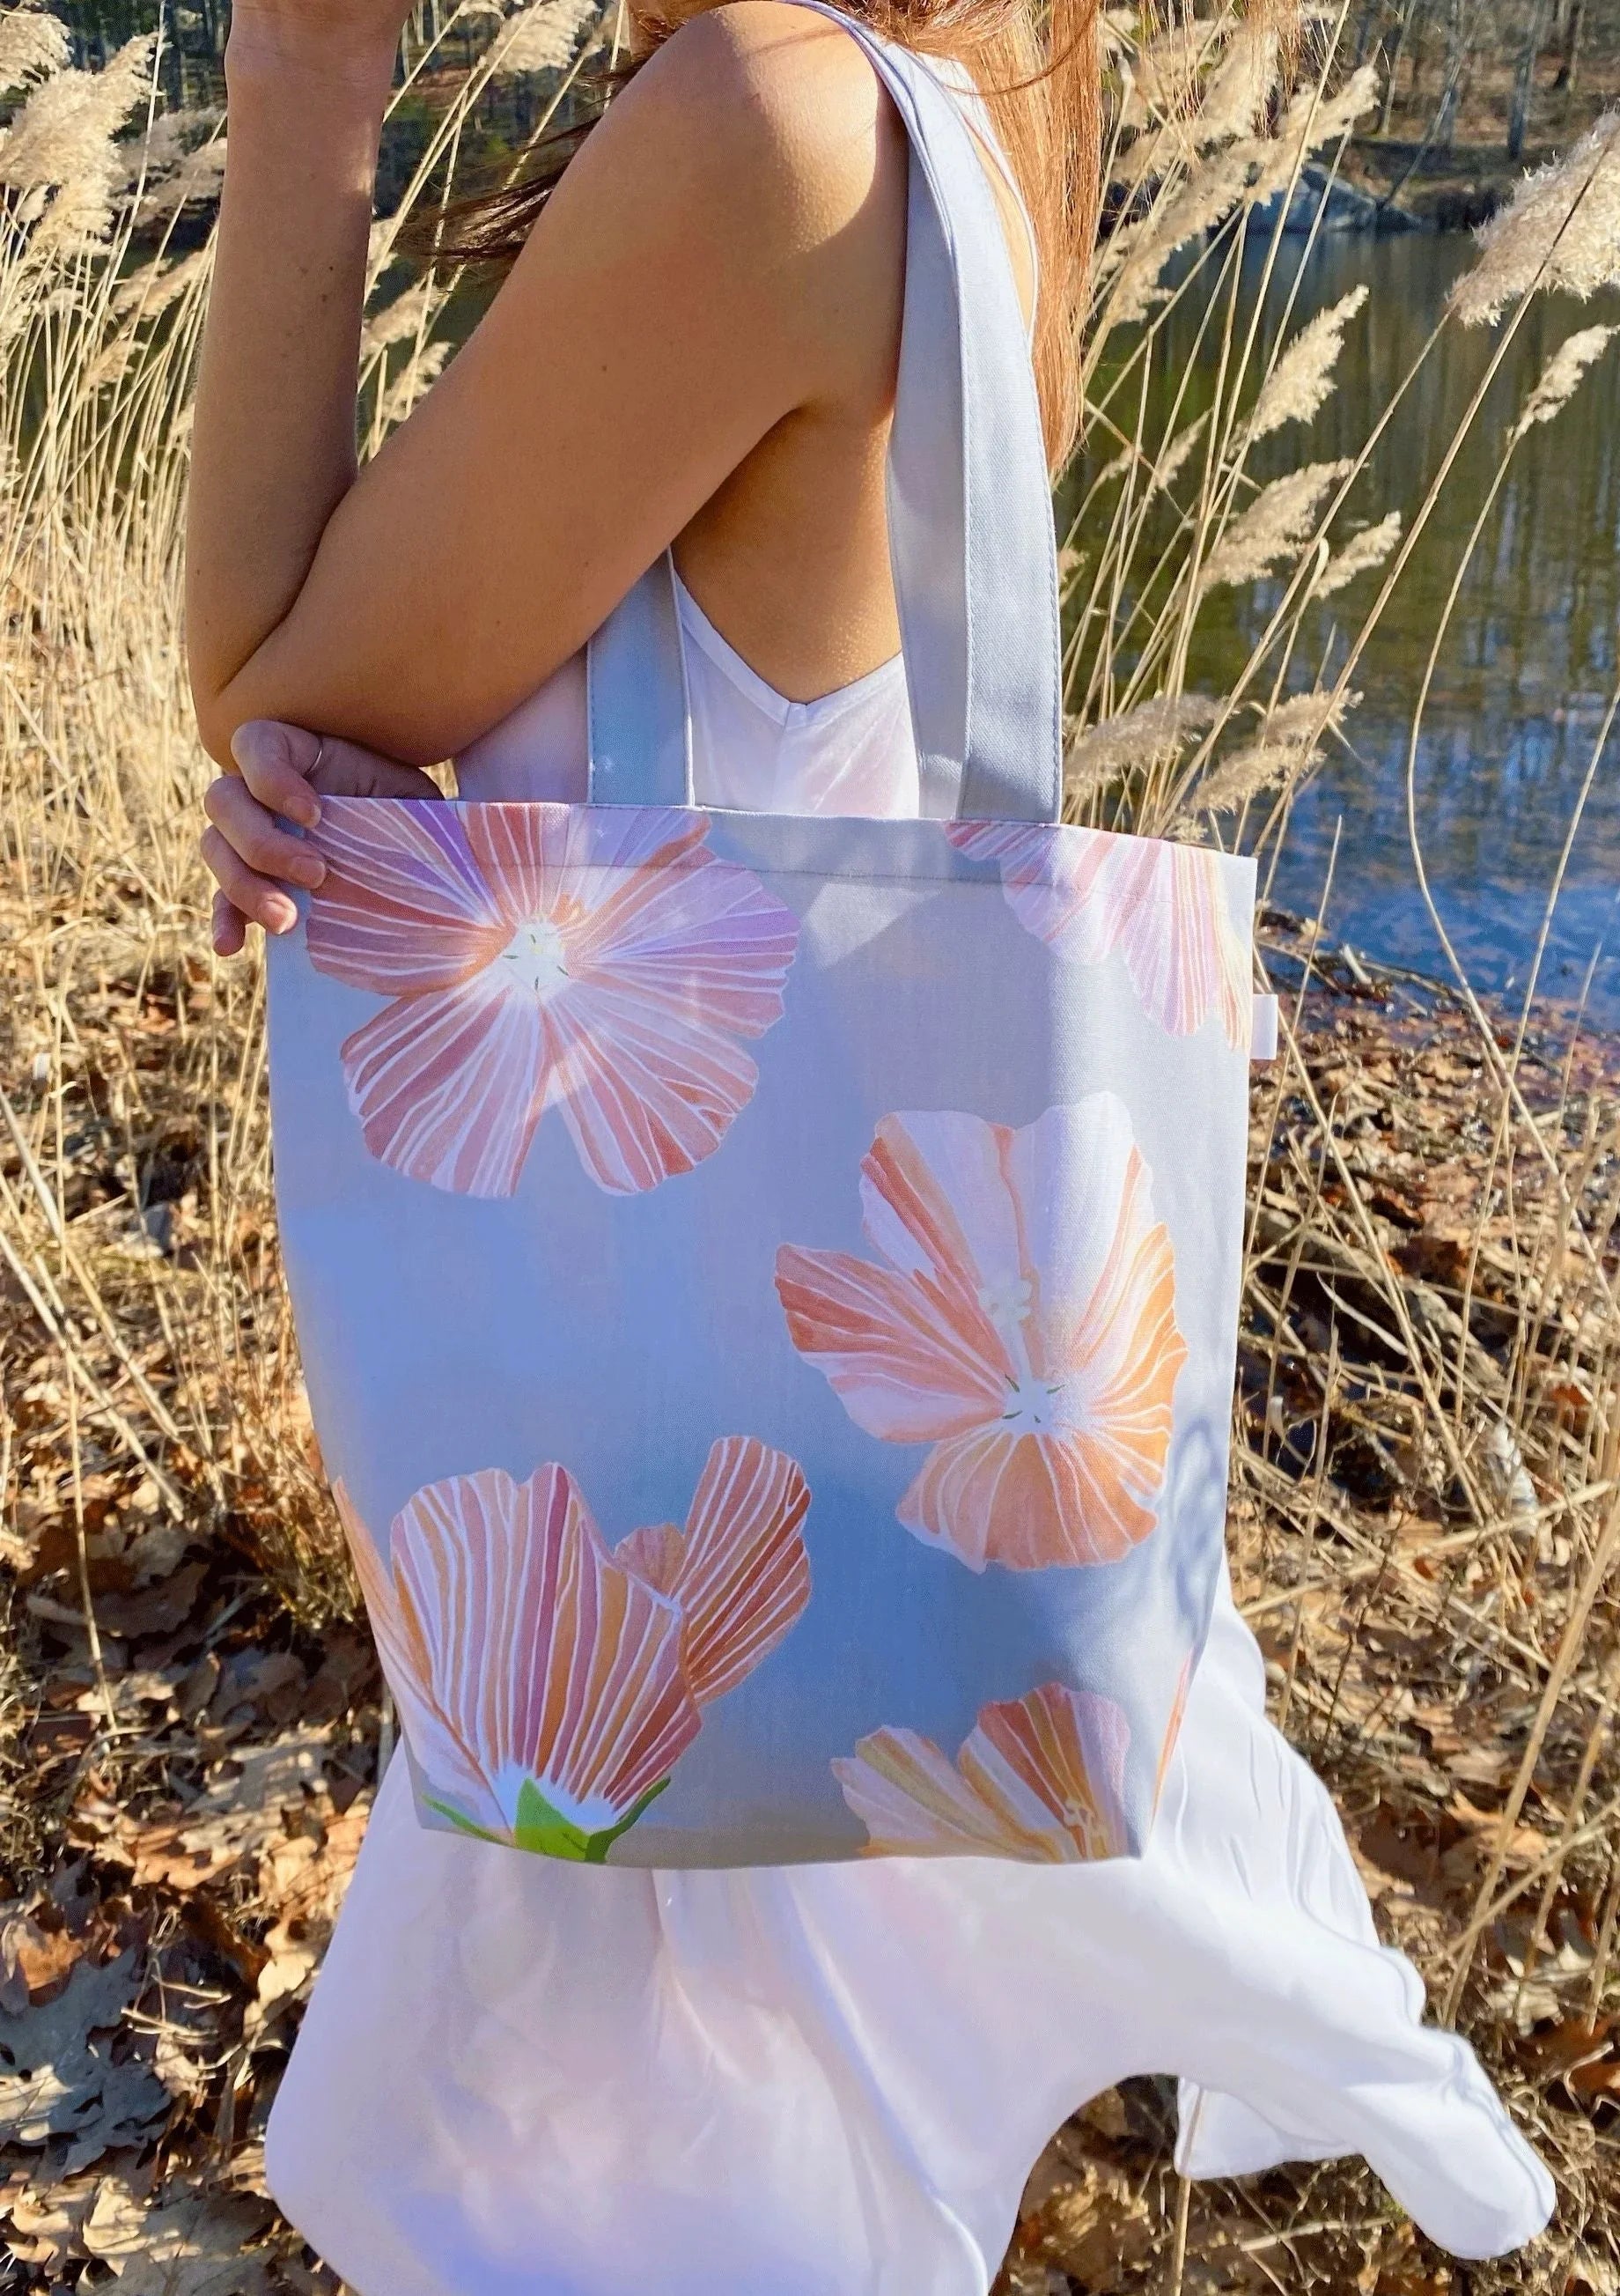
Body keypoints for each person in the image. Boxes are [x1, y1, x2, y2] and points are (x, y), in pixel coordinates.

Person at [185, 3, 1554, 2289]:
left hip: (687, 1456)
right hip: (835, 1459)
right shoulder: (974, 72)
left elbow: (263, 666)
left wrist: (307, 84)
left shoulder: (766, 122)